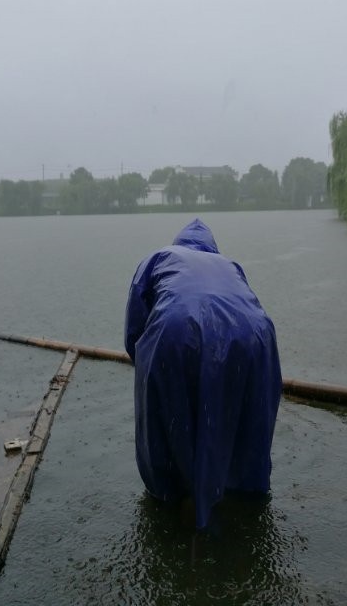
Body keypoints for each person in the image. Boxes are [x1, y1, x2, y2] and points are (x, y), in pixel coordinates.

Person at [124, 218, 282, 529]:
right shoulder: (231, 264)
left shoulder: (158, 257)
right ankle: (241, 496)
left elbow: (135, 329)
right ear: (212, 246)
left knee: (170, 418)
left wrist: (146, 366)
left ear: (179, 242)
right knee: (240, 415)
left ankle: (172, 496)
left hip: (176, 328)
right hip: (255, 337)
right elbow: (247, 304)